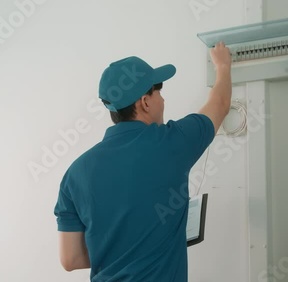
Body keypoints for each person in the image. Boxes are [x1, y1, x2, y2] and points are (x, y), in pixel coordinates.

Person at [53, 42, 232, 281]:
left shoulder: (75, 173)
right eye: (158, 92)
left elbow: (70, 259)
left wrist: (117, 249)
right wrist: (223, 66)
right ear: (145, 102)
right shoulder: (171, 143)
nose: (162, 100)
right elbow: (219, 105)